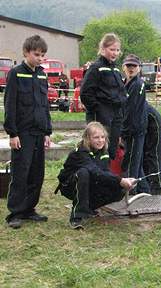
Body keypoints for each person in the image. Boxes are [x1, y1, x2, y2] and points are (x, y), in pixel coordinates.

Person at [3, 35, 52, 229]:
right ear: (26, 53)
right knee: (21, 173)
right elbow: (10, 105)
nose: (40, 58)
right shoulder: (16, 74)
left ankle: (29, 209)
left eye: (42, 55)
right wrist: (12, 133)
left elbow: (45, 105)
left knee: (36, 173)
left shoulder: (42, 75)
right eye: (36, 54)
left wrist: (47, 131)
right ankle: (15, 212)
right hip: (22, 134)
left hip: (40, 132)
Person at [56, 122, 136, 229]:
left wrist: (123, 182)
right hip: (70, 185)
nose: (100, 140)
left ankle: (89, 208)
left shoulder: (103, 152)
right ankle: (77, 217)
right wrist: (119, 180)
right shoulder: (80, 152)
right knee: (84, 173)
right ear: (88, 139)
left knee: (119, 189)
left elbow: (105, 173)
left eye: (103, 137)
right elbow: (94, 171)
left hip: (90, 181)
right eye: (96, 137)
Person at [80, 33, 127, 159]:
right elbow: (85, 93)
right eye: (112, 49)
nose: (115, 53)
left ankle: (108, 175)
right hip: (101, 116)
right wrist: (98, 109)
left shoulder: (116, 70)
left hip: (116, 117)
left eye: (117, 50)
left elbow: (121, 93)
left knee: (111, 150)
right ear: (103, 49)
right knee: (99, 150)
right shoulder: (96, 68)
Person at [120, 54, 150, 194]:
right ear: (124, 67)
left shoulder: (137, 84)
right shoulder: (126, 83)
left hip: (135, 130)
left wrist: (123, 133)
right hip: (131, 129)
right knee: (136, 165)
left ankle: (131, 195)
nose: (131, 68)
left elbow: (130, 111)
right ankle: (146, 193)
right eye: (128, 66)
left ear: (139, 68)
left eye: (134, 66)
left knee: (132, 164)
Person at [143, 103, 161, 194]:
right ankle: (145, 183)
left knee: (154, 153)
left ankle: (157, 185)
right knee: (141, 153)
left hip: (151, 118)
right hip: (138, 116)